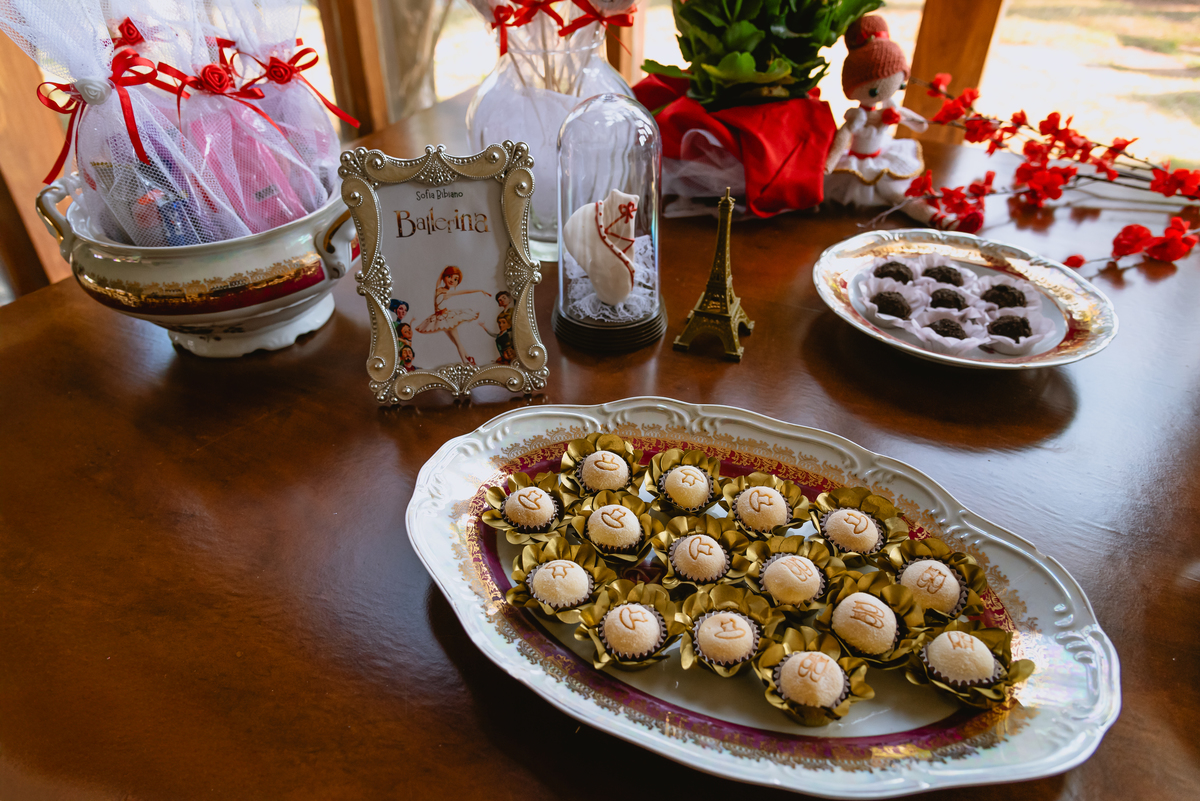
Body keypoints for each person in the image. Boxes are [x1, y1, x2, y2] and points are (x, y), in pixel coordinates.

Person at [823, 16, 946, 228]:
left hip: (883, 155)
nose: (890, 92)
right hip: (860, 164)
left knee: (899, 194)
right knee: (893, 195)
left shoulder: (890, 108)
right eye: (875, 90)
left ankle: (938, 218)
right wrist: (829, 163)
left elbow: (918, 123)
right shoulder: (860, 116)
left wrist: (905, 118)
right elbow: (844, 136)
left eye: (900, 85)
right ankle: (935, 218)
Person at [414, 266, 495, 365]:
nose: (452, 280)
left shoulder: (448, 293)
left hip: (447, 318)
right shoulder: (438, 288)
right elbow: (440, 277)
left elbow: (465, 291)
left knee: (457, 341)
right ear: (444, 277)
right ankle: (469, 358)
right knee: (455, 342)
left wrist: (480, 290)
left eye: (455, 279)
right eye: (449, 276)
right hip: (439, 318)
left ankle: (465, 363)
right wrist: (445, 269)